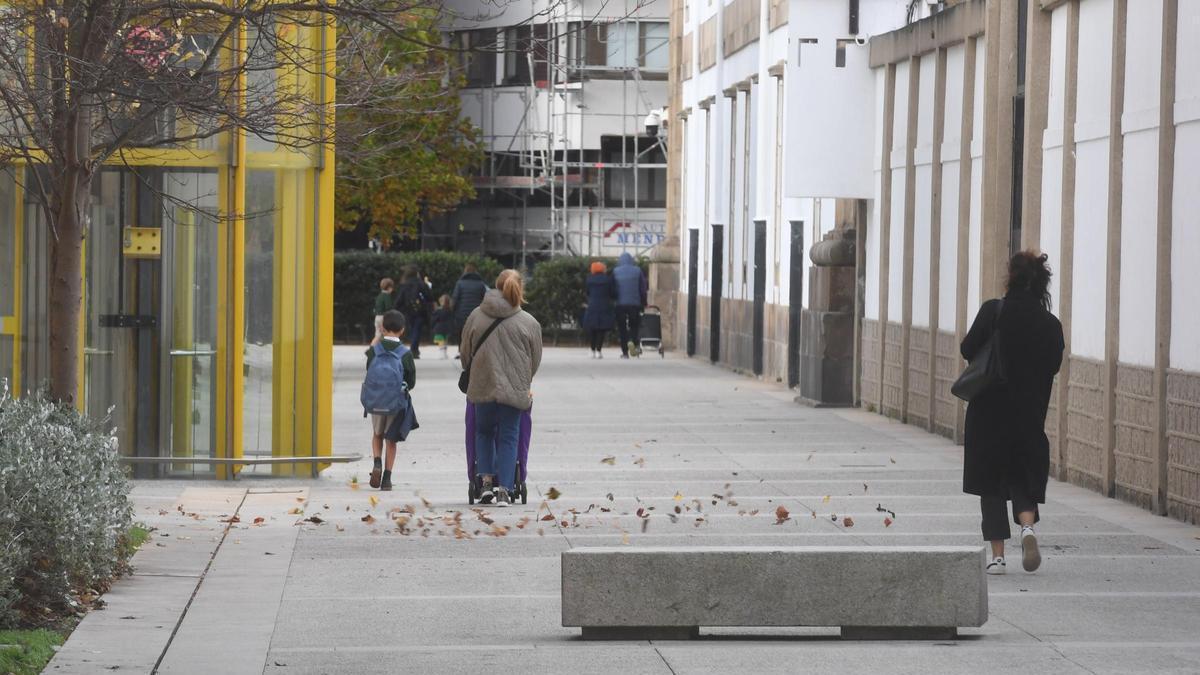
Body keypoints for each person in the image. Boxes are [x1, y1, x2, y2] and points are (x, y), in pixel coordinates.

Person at [961, 251, 1064, 575]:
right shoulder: (1051, 325)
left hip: (989, 411)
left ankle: (997, 557)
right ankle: (1028, 527)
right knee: (1022, 476)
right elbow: (1054, 365)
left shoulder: (995, 310)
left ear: (1011, 278)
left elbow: (967, 348)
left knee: (991, 484)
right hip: (1028, 414)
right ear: (1042, 284)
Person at [460, 270, 542, 506]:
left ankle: (485, 483)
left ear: (494, 287)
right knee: (509, 435)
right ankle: (505, 489)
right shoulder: (529, 322)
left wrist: (474, 371)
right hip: (515, 390)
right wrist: (524, 380)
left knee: (483, 432)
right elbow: (534, 360)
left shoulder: (476, 316)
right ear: (520, 289)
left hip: (482, 385)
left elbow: (465, 354)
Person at [363, 310, 417, 491]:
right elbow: (411, 381)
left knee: (377, 434)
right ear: (402, 330)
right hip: (395, 403)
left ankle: (376, 462)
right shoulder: (405, 353)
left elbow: (368, 370)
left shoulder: (374, 351)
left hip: (376, 401)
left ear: (383, 328)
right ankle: (387, 478)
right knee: (390, 440)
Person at [612, 252, 648, 358]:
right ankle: (634, 342)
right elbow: (643, 289)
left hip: (620, 304)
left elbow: (612, 289)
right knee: (634, 326)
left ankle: (624, 352)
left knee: (622, 328)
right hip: (634, 304)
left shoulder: (615, 271)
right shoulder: (637, 271)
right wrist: (644, 302)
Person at [394, 265, 432, 359]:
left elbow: (400, 299)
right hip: (420, 310)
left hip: (408, 310)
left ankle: (414, 348)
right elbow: (429, 296)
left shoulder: (404, 284)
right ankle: (414, 349)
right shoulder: (421, 283)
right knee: (417, 329)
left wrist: (395, 309)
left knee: (412, 329)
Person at [451, 263, 488, 355]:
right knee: (475, 333)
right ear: (476, 272)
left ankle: (461, 351)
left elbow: (455, 298)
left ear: (465, 272)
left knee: (462, 332)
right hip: (477, 314)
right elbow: (485, 299)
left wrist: (453, 310)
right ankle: (473, 351)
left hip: (461, 313)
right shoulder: (481, 284)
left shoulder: (460, 283)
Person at [581, 261, 616, 359]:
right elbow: (613, 293)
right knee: (601, 329)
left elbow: (587, 292)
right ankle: (598, 351)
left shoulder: (589, 279)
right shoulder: (608, 279)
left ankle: (592, 350)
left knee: (592, 329)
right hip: (604, 306)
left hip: (592, 306)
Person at [371, 277, 394, 345]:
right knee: (387, 335)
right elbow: (388, 307)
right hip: (383, 318)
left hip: (377, 317)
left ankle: (372, 350)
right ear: (389, 288)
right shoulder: (386, 296)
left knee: (377, 335)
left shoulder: (379, 296)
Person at [431, 294, 455, 360]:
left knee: (440, 341)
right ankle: (444, 353)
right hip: (447, 328)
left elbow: (434, 320)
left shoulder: (438, 310)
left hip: (439, 328)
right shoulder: (450, 310)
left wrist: (432, 326)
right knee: (445, 341)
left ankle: (441, 354)